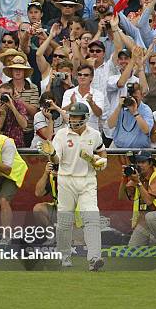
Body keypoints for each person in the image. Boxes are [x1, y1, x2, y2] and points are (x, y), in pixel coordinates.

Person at [38, 102, 107, 271]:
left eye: (77, 117)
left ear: (85, 118)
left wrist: (99, 162)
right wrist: (52, 154)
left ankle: (94, 258)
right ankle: (65, 255)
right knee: (64, 222)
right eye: (72, 116)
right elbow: (56, 161)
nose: (73, 120)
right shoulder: (62, 134)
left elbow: (102, 154)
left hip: (88, 181)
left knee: (92, 218)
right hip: (66, 181)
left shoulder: (95, 135)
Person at [107, 82, 153, 148]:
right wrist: (119, 107)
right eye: (131, 97)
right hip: (119, 149)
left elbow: (146, 130)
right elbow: (110, 125)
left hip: (138, 151)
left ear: (142, 96)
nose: (133, 99)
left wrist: (135, 112)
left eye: (136, 97)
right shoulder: (121, 107)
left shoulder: (146, 110)